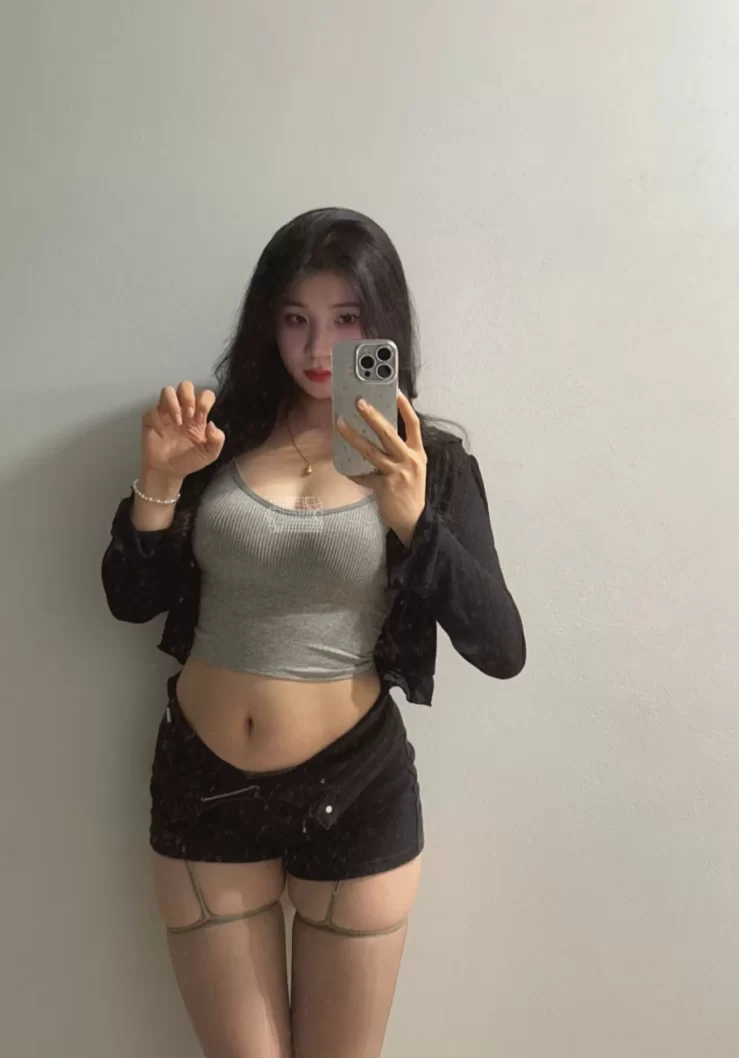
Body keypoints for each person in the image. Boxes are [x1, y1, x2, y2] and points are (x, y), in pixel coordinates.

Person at [101, 207, 526, 1058]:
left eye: (346, 319)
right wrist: (158, 484)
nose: (318, 346)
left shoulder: (425, 462)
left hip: (354, 790)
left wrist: (415, 522)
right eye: (296, 318)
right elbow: (129, 600)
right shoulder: (216, 438)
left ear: (383, 325)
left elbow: (500, 647)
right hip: (204, 785)